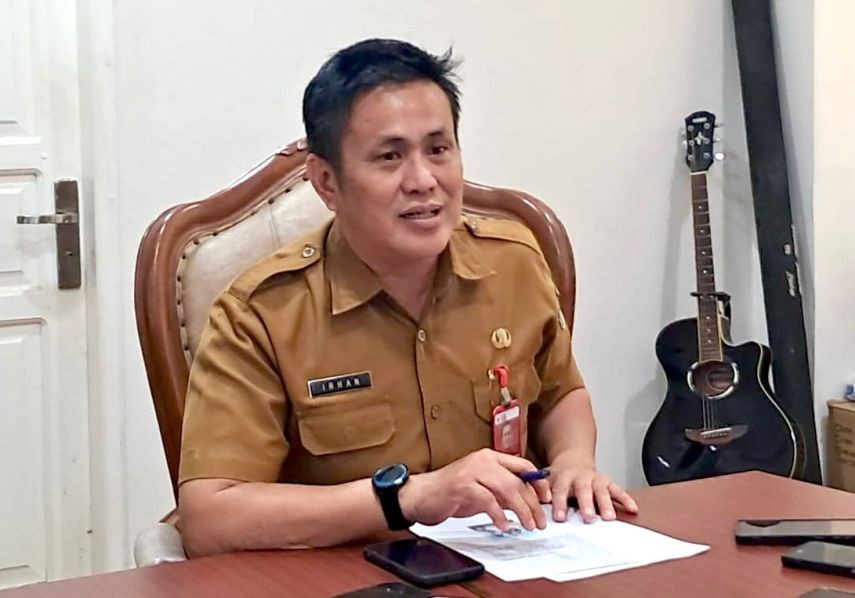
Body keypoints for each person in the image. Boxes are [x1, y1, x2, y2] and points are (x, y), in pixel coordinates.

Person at [177, 38, 637, 557]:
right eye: (390, 157)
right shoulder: (262, 313)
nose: (423, 181)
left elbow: (561, 394)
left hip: (513, 560)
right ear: (327, 182)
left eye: (438, 150)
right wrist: (407, 498)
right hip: (348, 574)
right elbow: (211, 518)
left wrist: (574, 461)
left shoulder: (513, 262)